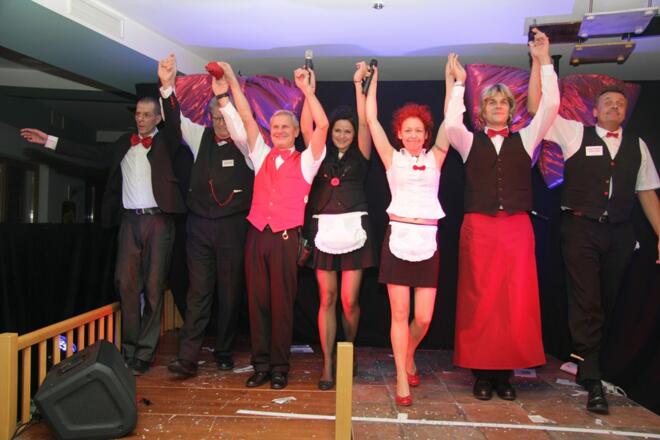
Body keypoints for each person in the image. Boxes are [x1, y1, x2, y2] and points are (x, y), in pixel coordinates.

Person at [21, 92, 186, 376]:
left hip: (158, 221)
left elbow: (174, 123)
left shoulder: (166, 141)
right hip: (129, 221)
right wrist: (48, 140)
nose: (141, 119)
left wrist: (168, 89)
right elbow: (89, 153)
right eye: (138, 114)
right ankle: (130, 351)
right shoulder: (124, 142)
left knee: (154, 287)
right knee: (125, 284)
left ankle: (145, 354)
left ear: (157, 118)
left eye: (147, 114)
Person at [528, 68, 660, 415]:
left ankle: (587, 359)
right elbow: (536, 108)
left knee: (608, 298)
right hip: (580, 227)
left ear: (625, 112)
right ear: (595, 111)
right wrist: (541, 62)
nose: (614, 107)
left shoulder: (637, 146)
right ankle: (592, 378)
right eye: (608, 103)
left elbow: (647, 192)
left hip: (619, 231)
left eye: (620, 104)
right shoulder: (575, 133)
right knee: (585, 298)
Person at [444, 29, 560, 401]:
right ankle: (482, 373)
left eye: (503, 102)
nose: (497, 106)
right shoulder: (468, 141)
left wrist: (544, 61)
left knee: (514, 299)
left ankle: (505, 375)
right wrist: (459, 85)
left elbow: (550, 107)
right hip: (478, 227)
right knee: (480, 300)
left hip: (516, 227)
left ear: (511, 109)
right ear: (481, 111)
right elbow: (451, 124)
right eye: (491, 102)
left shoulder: (526, 139)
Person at [226, 66, 328, 390]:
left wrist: (307, 91)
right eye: (275, 126)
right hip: (257, 235)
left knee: (282, 304)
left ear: (296, 131)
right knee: (257, 302)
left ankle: (280, 367)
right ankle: (261, 366)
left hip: (286, 237)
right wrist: (231, 80)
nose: (280, 130)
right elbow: (246, 116)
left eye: (286, 126)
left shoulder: (307, 161)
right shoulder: (261, 155)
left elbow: (323, 125)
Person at [157, 55, 254, 378]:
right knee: (198, 292)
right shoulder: (200, 136)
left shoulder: (246, 143)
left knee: (230, 292)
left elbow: (238, 125)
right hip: (199, 227)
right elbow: (174, 122)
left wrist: (227, 97)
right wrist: (167, 87)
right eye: (215, 118)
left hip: (232, 228)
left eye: (224, 118)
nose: (220, 123)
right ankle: (187, 356)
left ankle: (224, 351)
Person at [365, 63, 450, 407]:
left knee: (424, 317)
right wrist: (372, 83)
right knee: (398, 315)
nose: (414, 135)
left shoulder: (437, 158)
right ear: (399, 133)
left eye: (419, 130)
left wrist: (452, 83)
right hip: (398, 238)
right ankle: (401, 373)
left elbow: (450, 121)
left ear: (426, 135)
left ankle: (408, 352)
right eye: (408, 130)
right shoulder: (391, 159)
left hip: (427, 241)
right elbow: (371, 121)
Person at [299, 62, 375, 390]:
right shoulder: (319, 155)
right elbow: (306, 127)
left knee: (349, 301)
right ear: (330, 133)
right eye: (337, 131)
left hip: (355, 230)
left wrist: (360, 86)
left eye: (347, 131)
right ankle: (328, 365)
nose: (342, 135)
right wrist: (308, 92)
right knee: (326, 298)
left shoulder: (362, 154)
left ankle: (348, 350)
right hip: (323, 231)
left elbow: (366, 121)